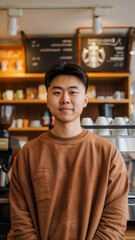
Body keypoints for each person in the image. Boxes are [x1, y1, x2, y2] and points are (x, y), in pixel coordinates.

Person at [10, 62, 129, 240]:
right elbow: (20, 219)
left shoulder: (108, 154)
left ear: (85, 100)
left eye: (73, 92)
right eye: (57, 92)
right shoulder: (29, 153)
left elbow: (114, 221)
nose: (65, 99)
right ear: (48, 100)